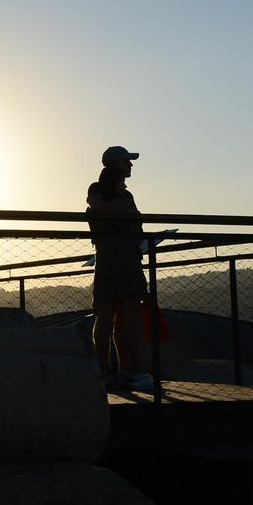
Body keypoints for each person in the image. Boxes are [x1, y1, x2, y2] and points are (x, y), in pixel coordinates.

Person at [86, 147, 153, 392]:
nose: (131, 165)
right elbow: (130, 221)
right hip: (123, 259)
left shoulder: (101, 192)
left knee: (110, 319)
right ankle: (132, 372)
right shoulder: (106, 191)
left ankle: (105, 373)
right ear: (115, 163)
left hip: (108, 259)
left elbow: (102, 210)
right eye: (127, 161)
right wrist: (129, 215)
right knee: (127, 320)